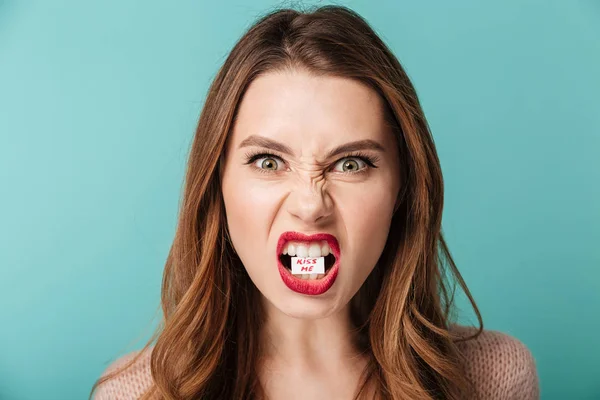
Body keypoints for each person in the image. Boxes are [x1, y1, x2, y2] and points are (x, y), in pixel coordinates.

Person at [91, 5, 539, 400]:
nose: (310, 205)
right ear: (217, 185)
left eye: (350, 164)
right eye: (268, 161)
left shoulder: (493, 380)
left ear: (402, 189)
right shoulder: (133, 394)